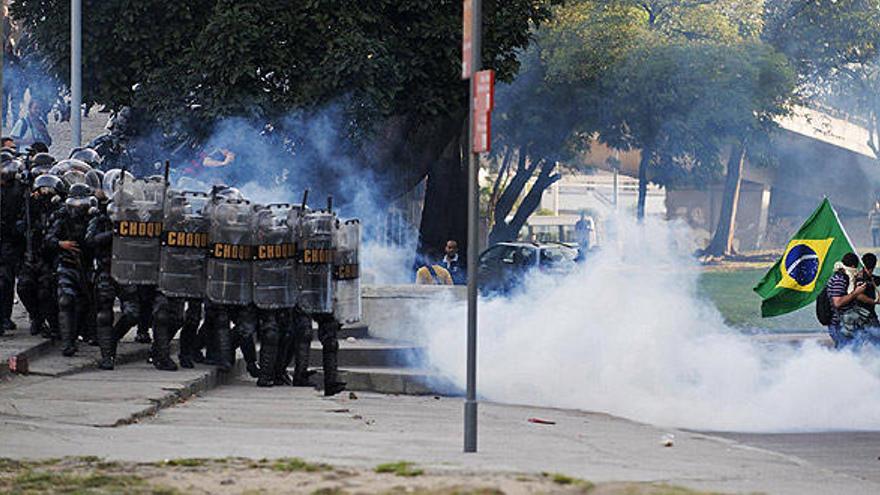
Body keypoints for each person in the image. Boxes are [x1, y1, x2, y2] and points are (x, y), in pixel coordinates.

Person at [826, 252, 870, 348]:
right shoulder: (840, 279)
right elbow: (837, 303)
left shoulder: (846, 278)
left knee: (851, 352)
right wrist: (856, 293)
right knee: (845, 353)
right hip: (839, 324)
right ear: (853, 266)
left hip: (846, 324)